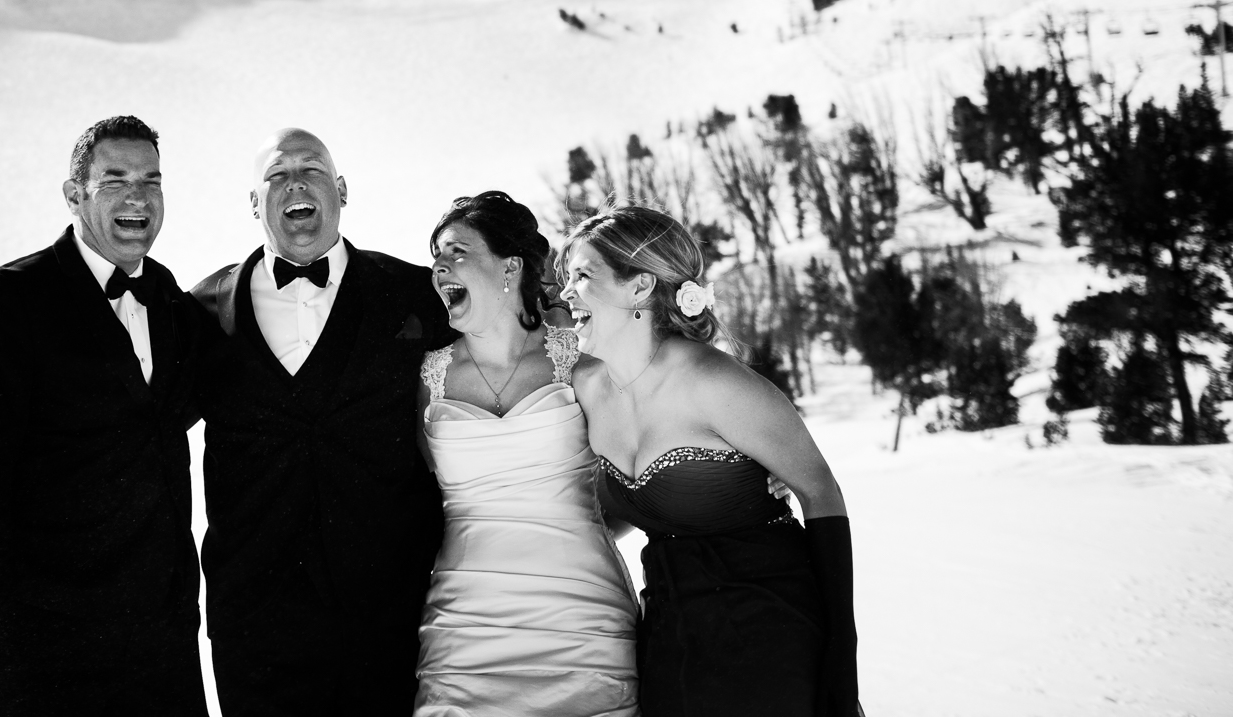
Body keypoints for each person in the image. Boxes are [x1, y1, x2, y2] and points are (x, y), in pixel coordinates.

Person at [0, 115, 209, 716]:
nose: (137, 197)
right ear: (74, 194)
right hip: (43, 640)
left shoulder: (174, 306)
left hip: (159, 641)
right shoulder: (10, 299)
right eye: (115, 179)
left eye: (151, 181)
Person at [191, 128, 454, 717]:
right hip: (256, 622)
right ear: (254, 204)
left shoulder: (418, 294)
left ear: (340, 190)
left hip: (393, 610)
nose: (295, 183)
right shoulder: (201, 310)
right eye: (277, 176)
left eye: (310, 169)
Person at [564, 205, 862, 717]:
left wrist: (842, 662)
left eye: (582, 276)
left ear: (639, 288)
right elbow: (615, 514)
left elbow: (820, 492)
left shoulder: (716, 383)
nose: (566, 292)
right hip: (669, 636)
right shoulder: (584, 389)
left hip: (770, 629)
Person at [415, 191, 639, 717]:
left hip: (583, 623)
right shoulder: (429, 377)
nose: (440, 267)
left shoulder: (580, 361)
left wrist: (749, 475)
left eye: (457, 253)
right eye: (436, 258)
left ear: (511, 266)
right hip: (466, 631)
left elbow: (643, 471)